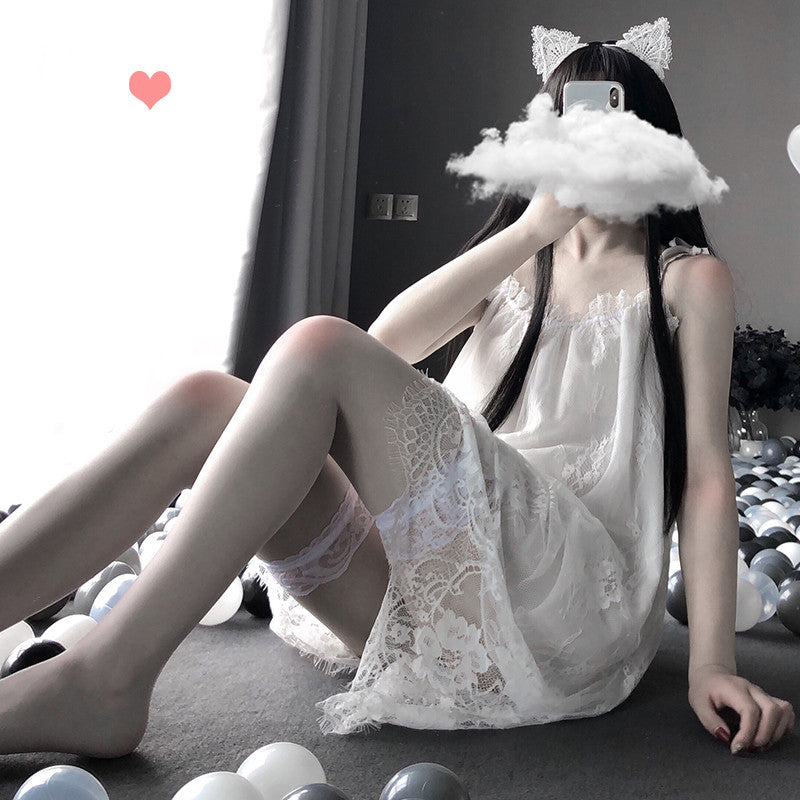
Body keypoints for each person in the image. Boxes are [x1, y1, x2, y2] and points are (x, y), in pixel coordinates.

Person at [0, 22, 794, 760]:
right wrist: (529, 231)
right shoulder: (521, 260)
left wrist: (710, 665)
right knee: (206, 397)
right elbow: (387, 343)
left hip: (567, 601)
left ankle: (104, 680)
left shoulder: (686, 279)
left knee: (317, 345)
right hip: (444, 579)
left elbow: (706, 472)